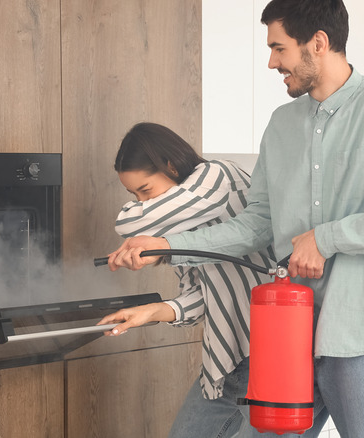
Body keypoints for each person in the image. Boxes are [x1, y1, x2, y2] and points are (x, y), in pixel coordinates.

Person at [105, 1, 364, 437]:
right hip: (289, 332)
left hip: (359, 330)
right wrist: (168, 247)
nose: (272, 62)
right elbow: (255, 224)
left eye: (279, 48)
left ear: (319, 44)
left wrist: (326, 238)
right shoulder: (282, 124)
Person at [98, 122, 277, 438]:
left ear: (170, 165)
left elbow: (129, 225)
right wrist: (153, 311)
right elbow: (198, 297)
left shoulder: (219, 176)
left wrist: (149, 239)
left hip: (271, 356)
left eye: (145, 190)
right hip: (226, 363)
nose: (141, 203)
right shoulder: (177, 228)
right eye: (134, 195)